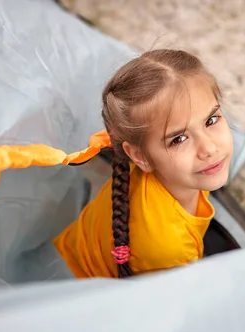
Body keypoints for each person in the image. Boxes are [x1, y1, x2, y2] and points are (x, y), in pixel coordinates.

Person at [53, 48, 234, 278]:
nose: (209, 148)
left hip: (69, 249)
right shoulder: (168, 248)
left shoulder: (178, 173)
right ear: (140, 157)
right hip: (80, 290)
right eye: (178, 139)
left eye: (211, 120)